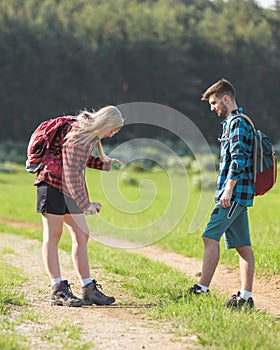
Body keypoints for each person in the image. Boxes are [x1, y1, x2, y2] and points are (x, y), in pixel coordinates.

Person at [34, 105, 124, 307]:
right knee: (53, 236)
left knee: (82, 234)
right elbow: (72, 172)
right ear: (105, 124)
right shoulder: (79, 134)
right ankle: (57, 288)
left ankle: (88, 288)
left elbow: (79, 161)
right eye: (112, 130)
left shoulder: (86, 135)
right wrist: (86, 204)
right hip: (52, 185)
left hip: (66, 189)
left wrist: (106, 165)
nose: (110, 135)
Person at [189, 79, 255, 309]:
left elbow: (238, 158)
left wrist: (228, 190)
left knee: (209, 236)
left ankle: (202, 289)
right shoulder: (231, 123)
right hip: (236, 194)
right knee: (243, 246)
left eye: (215, 102)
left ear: (226, 99)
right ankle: (246, 298)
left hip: (234, 196)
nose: (212, 107)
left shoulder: (237, 124)